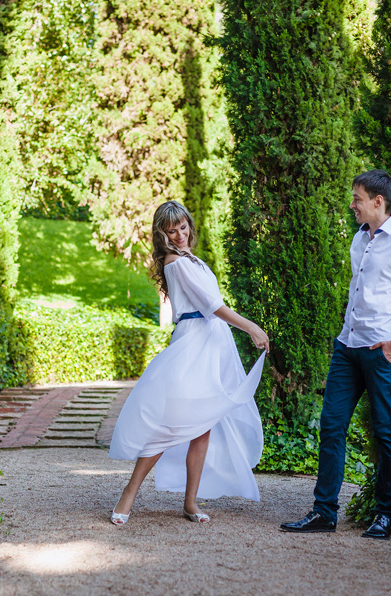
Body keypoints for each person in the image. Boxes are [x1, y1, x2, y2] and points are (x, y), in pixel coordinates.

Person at [280, 169, 391, 539]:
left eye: (357, 198)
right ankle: (324, 512)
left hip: (382, 352)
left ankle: (385, 515)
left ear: (379, 201)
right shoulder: (359, 239)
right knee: (331, 427)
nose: (352, 205)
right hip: (346, 348)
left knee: (385, 432)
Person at [108, 200, 270, 525]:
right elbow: (212, 305)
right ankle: (129, 491)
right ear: (163, 235)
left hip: (213, 346)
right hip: (193, 342)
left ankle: (190, 503)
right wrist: (251, 326)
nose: (180, 234)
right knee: (170, 424)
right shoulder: (175, 263)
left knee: (202, 427)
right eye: (172, 230)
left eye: (183, 227)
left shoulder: (192, 259)